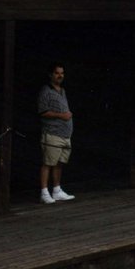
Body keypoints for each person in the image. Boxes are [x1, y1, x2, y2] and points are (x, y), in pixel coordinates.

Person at [37, 63, 75, 203]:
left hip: (65, 133)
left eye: (62, 73)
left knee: (59, 162)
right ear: (51, 75)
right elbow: (43, 111)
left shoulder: (62, 91)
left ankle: (57, 190)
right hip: (52, 133)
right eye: (57, 73)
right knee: (48, 162)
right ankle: (44, 192)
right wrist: (61, 116)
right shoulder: (46, 91)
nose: (60, 76)